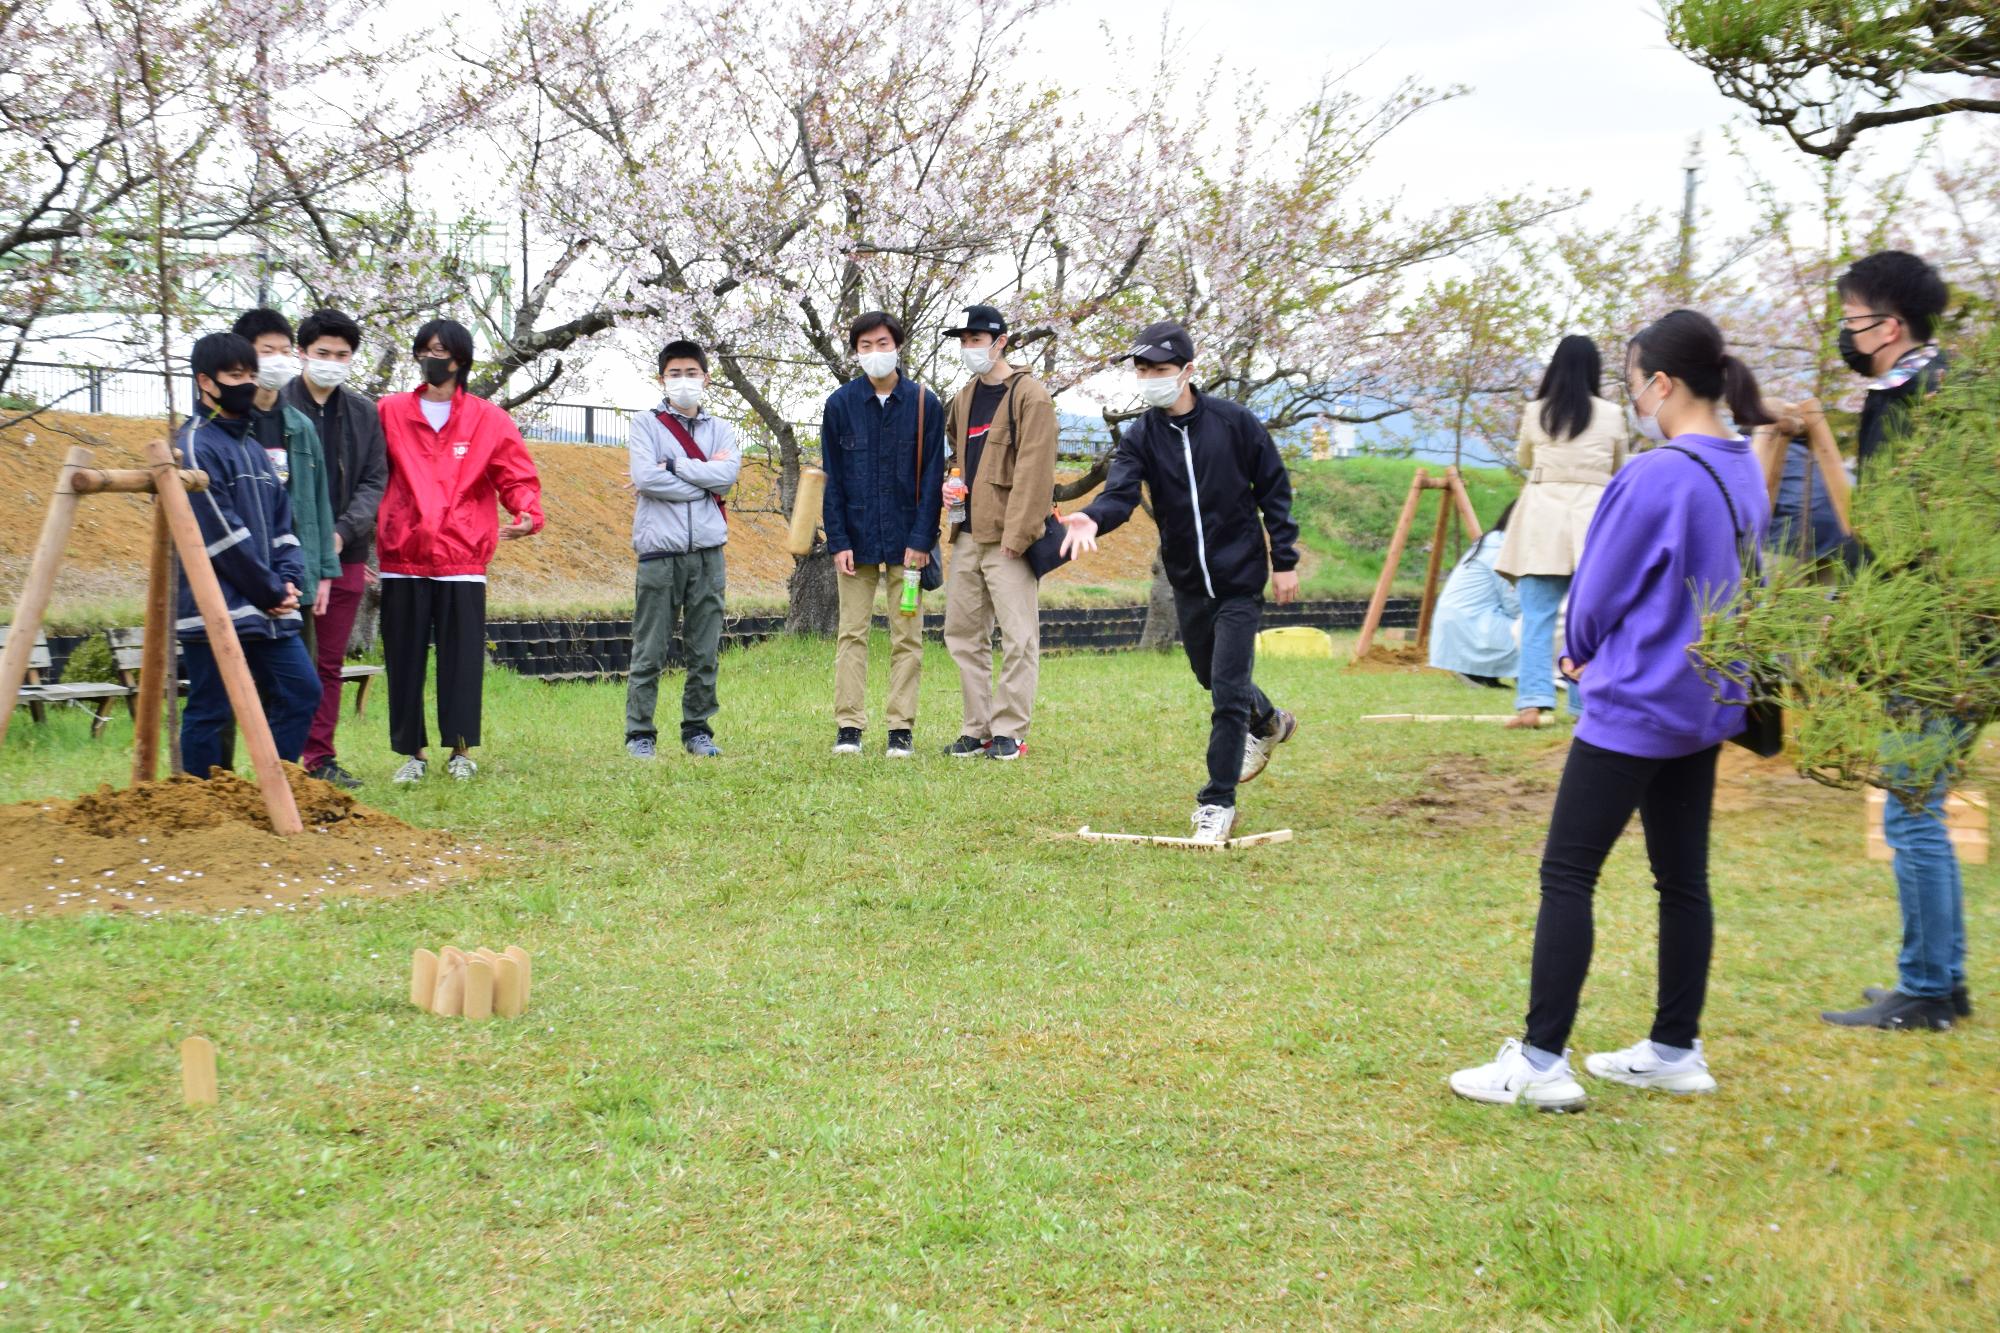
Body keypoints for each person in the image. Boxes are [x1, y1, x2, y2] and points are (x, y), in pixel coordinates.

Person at [1450, 309, 1772, 1110]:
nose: (1633, 399)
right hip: (1707, 702)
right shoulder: (1743, 466)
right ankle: (1673, 1046)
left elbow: (1598, 585)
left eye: (1633, 384)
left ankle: (1540, 1060)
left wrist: (1575, 650)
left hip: (1634, 701)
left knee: (1568, 872)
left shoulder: (1658, 473)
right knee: (1682, 879)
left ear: (1661, 383)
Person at [1057, 320, 1300, 844]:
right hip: (1188, 579)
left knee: (1227, 693)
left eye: (1161, 370)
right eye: (1143, 371)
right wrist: (1093, 518)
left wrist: (1284, 558)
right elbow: (1121, 494)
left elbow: (1274, 492)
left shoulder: (1236, 423)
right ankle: (1271, 719)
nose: (1151, 379)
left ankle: (1217, 802)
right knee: (1208, 675)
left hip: (1239, 579)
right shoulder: (1142, 435)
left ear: (1188, 371)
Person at [1816, 251, 1969, 1032]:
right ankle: (1942, 976)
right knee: (1923, 805)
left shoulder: (1908, 394)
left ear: (1891, 324)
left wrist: (1838, 578)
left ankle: (1930, 989)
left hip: (1927, 628)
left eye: (1851, 322)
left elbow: (1893, 525)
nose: (1847, 335)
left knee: (1913, 810)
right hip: (1964, 623)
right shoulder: (1962, 384)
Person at [375, 318, 543, 783]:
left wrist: (527, 511)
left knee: (462, 662)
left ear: (461, 360)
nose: (431, 358)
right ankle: (413, 754)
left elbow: (516, 475)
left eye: (440, 351)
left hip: (462, 558)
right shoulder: (387, 411)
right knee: (404, 660)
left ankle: (461, 751)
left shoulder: (488, 419)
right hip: (402, 556)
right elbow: (370, 475)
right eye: (424, 349)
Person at [173, 332, 322, 778]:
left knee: (301, 691)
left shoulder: (253, 448)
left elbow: (283, 524)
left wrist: (289, 578)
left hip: (268, 608)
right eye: (236, 376)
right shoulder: (193, 446)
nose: (248, 384)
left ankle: (271, 792)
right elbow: (218, 535)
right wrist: (269, 589)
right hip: (216, 608)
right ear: (206, 382)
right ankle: (202, 807)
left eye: (251, 375)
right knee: (211, 709)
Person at [820, 310, 945, 758]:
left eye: (883, 344)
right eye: (865, 346)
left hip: (908, 543)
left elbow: (933, 478)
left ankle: (901, 728)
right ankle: (849, 726)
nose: (875, 353)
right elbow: (831, 477)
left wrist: (921, 540)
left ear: (898, 346)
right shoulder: (839, 405)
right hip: (854, 541)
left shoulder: (925, 403)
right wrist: (838, 540)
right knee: (851, 634)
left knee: (906, 636)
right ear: (856, 351)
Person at [938, 304, 1058, 761]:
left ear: (1000, 341)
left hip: (1010, 536)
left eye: (977, 339)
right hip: (968, 531)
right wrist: (951, 477)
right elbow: (956, 451)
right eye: (964, 341)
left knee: (1018, 635)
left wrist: (1020, 533)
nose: (970, 348)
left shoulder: (1031, 395)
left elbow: (1036, 471)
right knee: (963, 633)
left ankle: (1010, 731)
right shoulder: (964, 396)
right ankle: (977, 729)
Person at [282, 307, 389, 790]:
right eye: (322, 353)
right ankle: (280, 756)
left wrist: (343, 532)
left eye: (342, 355)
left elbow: (374, 480)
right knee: (285, 659)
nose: (331, 362)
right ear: (301, 353)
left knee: (329, 661)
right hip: (285, 554)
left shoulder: (363, 412)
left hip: (345, 553)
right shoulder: (277, 405)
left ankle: (319, 756)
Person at [1495, 335, 1626, 728]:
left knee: (1537, 616)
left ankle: (1532, 705)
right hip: (1594, 521)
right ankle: (1584, 705)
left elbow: (1523, 458)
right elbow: (1619, 465)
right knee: (1590, 620)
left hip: (1542, 522)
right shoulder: (1612, 414)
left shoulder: (1537, 412)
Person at [624, 339, 739, 760]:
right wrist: (702, 481)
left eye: (692, 373)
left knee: (704, 647)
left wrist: (671, 465)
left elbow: (726, 478)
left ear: (706, 378)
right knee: (650, 647)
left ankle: (697, 729)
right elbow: (645, 478)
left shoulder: (722, 429)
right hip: (659, 552)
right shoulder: (644, 424)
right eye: (675, 373)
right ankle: (640, 733)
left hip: (708, 553)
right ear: (662, 379)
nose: (684, 381)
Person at [229, 309, 342, 639]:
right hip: (242, 577)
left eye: (284, 351)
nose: (278, 360)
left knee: (298, 683)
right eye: (267, 351)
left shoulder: (300, 426)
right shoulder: (229, 427)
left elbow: (319, 506)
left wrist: (322, 574)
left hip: (295, 577)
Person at [1427, 501, 1519, 688]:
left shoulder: (1492, 542)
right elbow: (1514, 605)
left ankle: (1484, 673)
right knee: (1537, 630)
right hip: (1471, 627)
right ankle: (1478, 672)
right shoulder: (1503, 549)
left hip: (1461, 625)